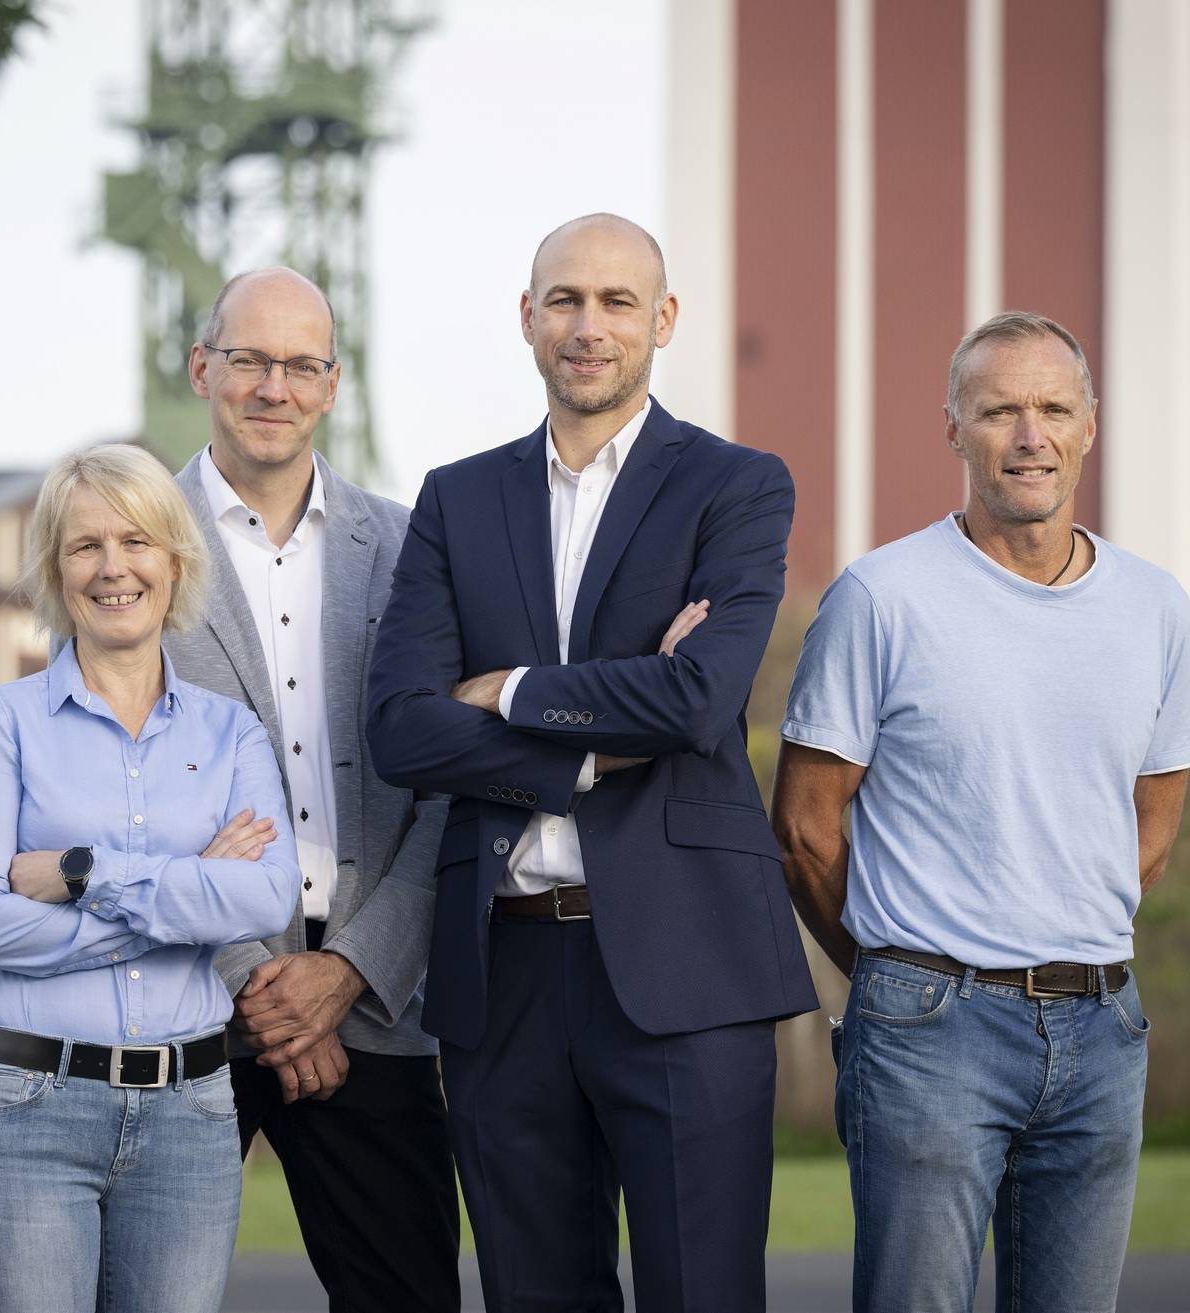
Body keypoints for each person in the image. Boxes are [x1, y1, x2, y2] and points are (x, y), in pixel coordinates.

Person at [364, 214, 819, 1311]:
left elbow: (699, 697)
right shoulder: (457, 498)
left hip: (687, 963)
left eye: (618, 302)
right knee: (535, 1294)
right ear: (527, 319)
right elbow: (402, 728)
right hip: (502, 967)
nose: (589, 325)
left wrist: (510, 688)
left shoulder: (738, 485)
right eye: (564, 299)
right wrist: (590, 753)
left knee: (699, 1291)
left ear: (662, 321)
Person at [774, 311, 1190, 1313]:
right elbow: (803, 826)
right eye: (998, 410)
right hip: (928, 1028)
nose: (1028, 435)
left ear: (1090, 426)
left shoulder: (1154, 606)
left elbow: (1152, 826)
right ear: (954, 429)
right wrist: (899, 973)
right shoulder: (882, 596)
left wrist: (1051, 923)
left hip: (1102, 1029)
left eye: (1053, 408)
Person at [0, 442, 300, 1313]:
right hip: (28, 1109)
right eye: (84, 545)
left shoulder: (233, 733)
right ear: (56, 573)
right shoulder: (5, 724)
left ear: (175, 563)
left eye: (136, 542)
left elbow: (265, 897)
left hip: (191, 1115)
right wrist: (184, 894)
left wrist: (80, 872)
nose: (112, 568)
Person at [158, 266, 460, 1309]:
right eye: (248, 360)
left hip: (375, 997)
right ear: (204, 368)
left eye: (299, 365)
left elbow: (447, 787)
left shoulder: (415, 546)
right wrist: (259, 975)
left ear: (333, 383)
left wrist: (347, 974)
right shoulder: (131, 546)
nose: (272, 387)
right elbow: (115, 791)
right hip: (188, 993)